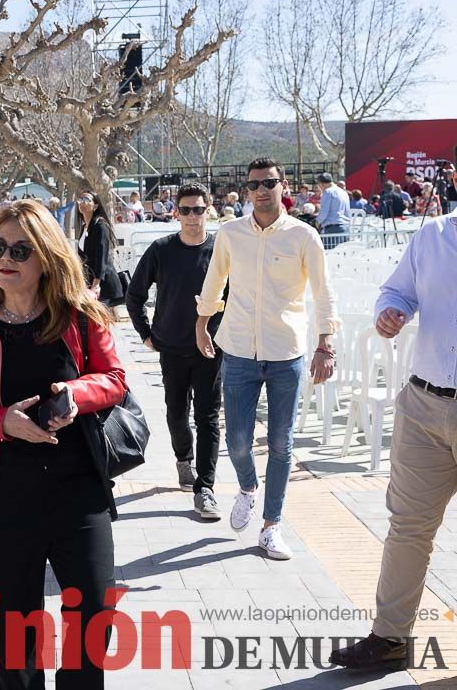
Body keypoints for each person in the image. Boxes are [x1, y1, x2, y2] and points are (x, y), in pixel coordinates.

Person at [0, 199, 126, 690]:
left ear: (46, 257)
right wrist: (2, 423)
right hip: (1, 493)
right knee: (14, 628)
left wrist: (77, 395)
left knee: (93, 615)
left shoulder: (80, 315)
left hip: (78, 488)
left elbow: (114, 379)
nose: (6, 258)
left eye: (21, 250)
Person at [330, 208, 457, 669]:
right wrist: (394, 310)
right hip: (424, 404)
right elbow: (398, 289)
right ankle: (390, 637)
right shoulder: (432, 235)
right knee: (407, 527)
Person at [195, 157, 338, 561]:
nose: (261, 190)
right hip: (238, 349)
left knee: (281, 442)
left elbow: (323, 293)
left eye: (269, 182)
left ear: (283, 185)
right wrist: (202, 321)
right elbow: (214, 279)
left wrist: (325, 343)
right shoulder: (230, 233)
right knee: (238, 442)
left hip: (285, 353)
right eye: (255, 183)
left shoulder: (303, 236)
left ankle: (272, 525)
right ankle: (247, 488)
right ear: (247, 188)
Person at [126, 183, 223, 519]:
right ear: (176, 212)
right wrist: (146, 335)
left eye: (198, 209)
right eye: (186, 210)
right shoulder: (161, 249)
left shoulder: (221, 250)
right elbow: (134, 295)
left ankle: (205, 488)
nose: (192, 216)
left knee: (208, 417)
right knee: (177, 414)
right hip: (172, 347)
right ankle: (184, 459)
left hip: (212, 349)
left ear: (209, 208)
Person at [76, 191, 125, 313]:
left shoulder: (100, 226)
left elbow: (101, 256)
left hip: (101, 283)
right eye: (80, 199)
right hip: (88, 282)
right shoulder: (84, 227)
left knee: (100, 323)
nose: (82, 202)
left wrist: (96, 284)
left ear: (95, 206)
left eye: (87, 200)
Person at [315, 173, 350, 249]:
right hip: (346, 228)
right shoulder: (344, 192)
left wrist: (317, 222)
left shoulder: (328, 192)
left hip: (332, 228)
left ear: (322, 184)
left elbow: (324, 212)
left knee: (330, 256)